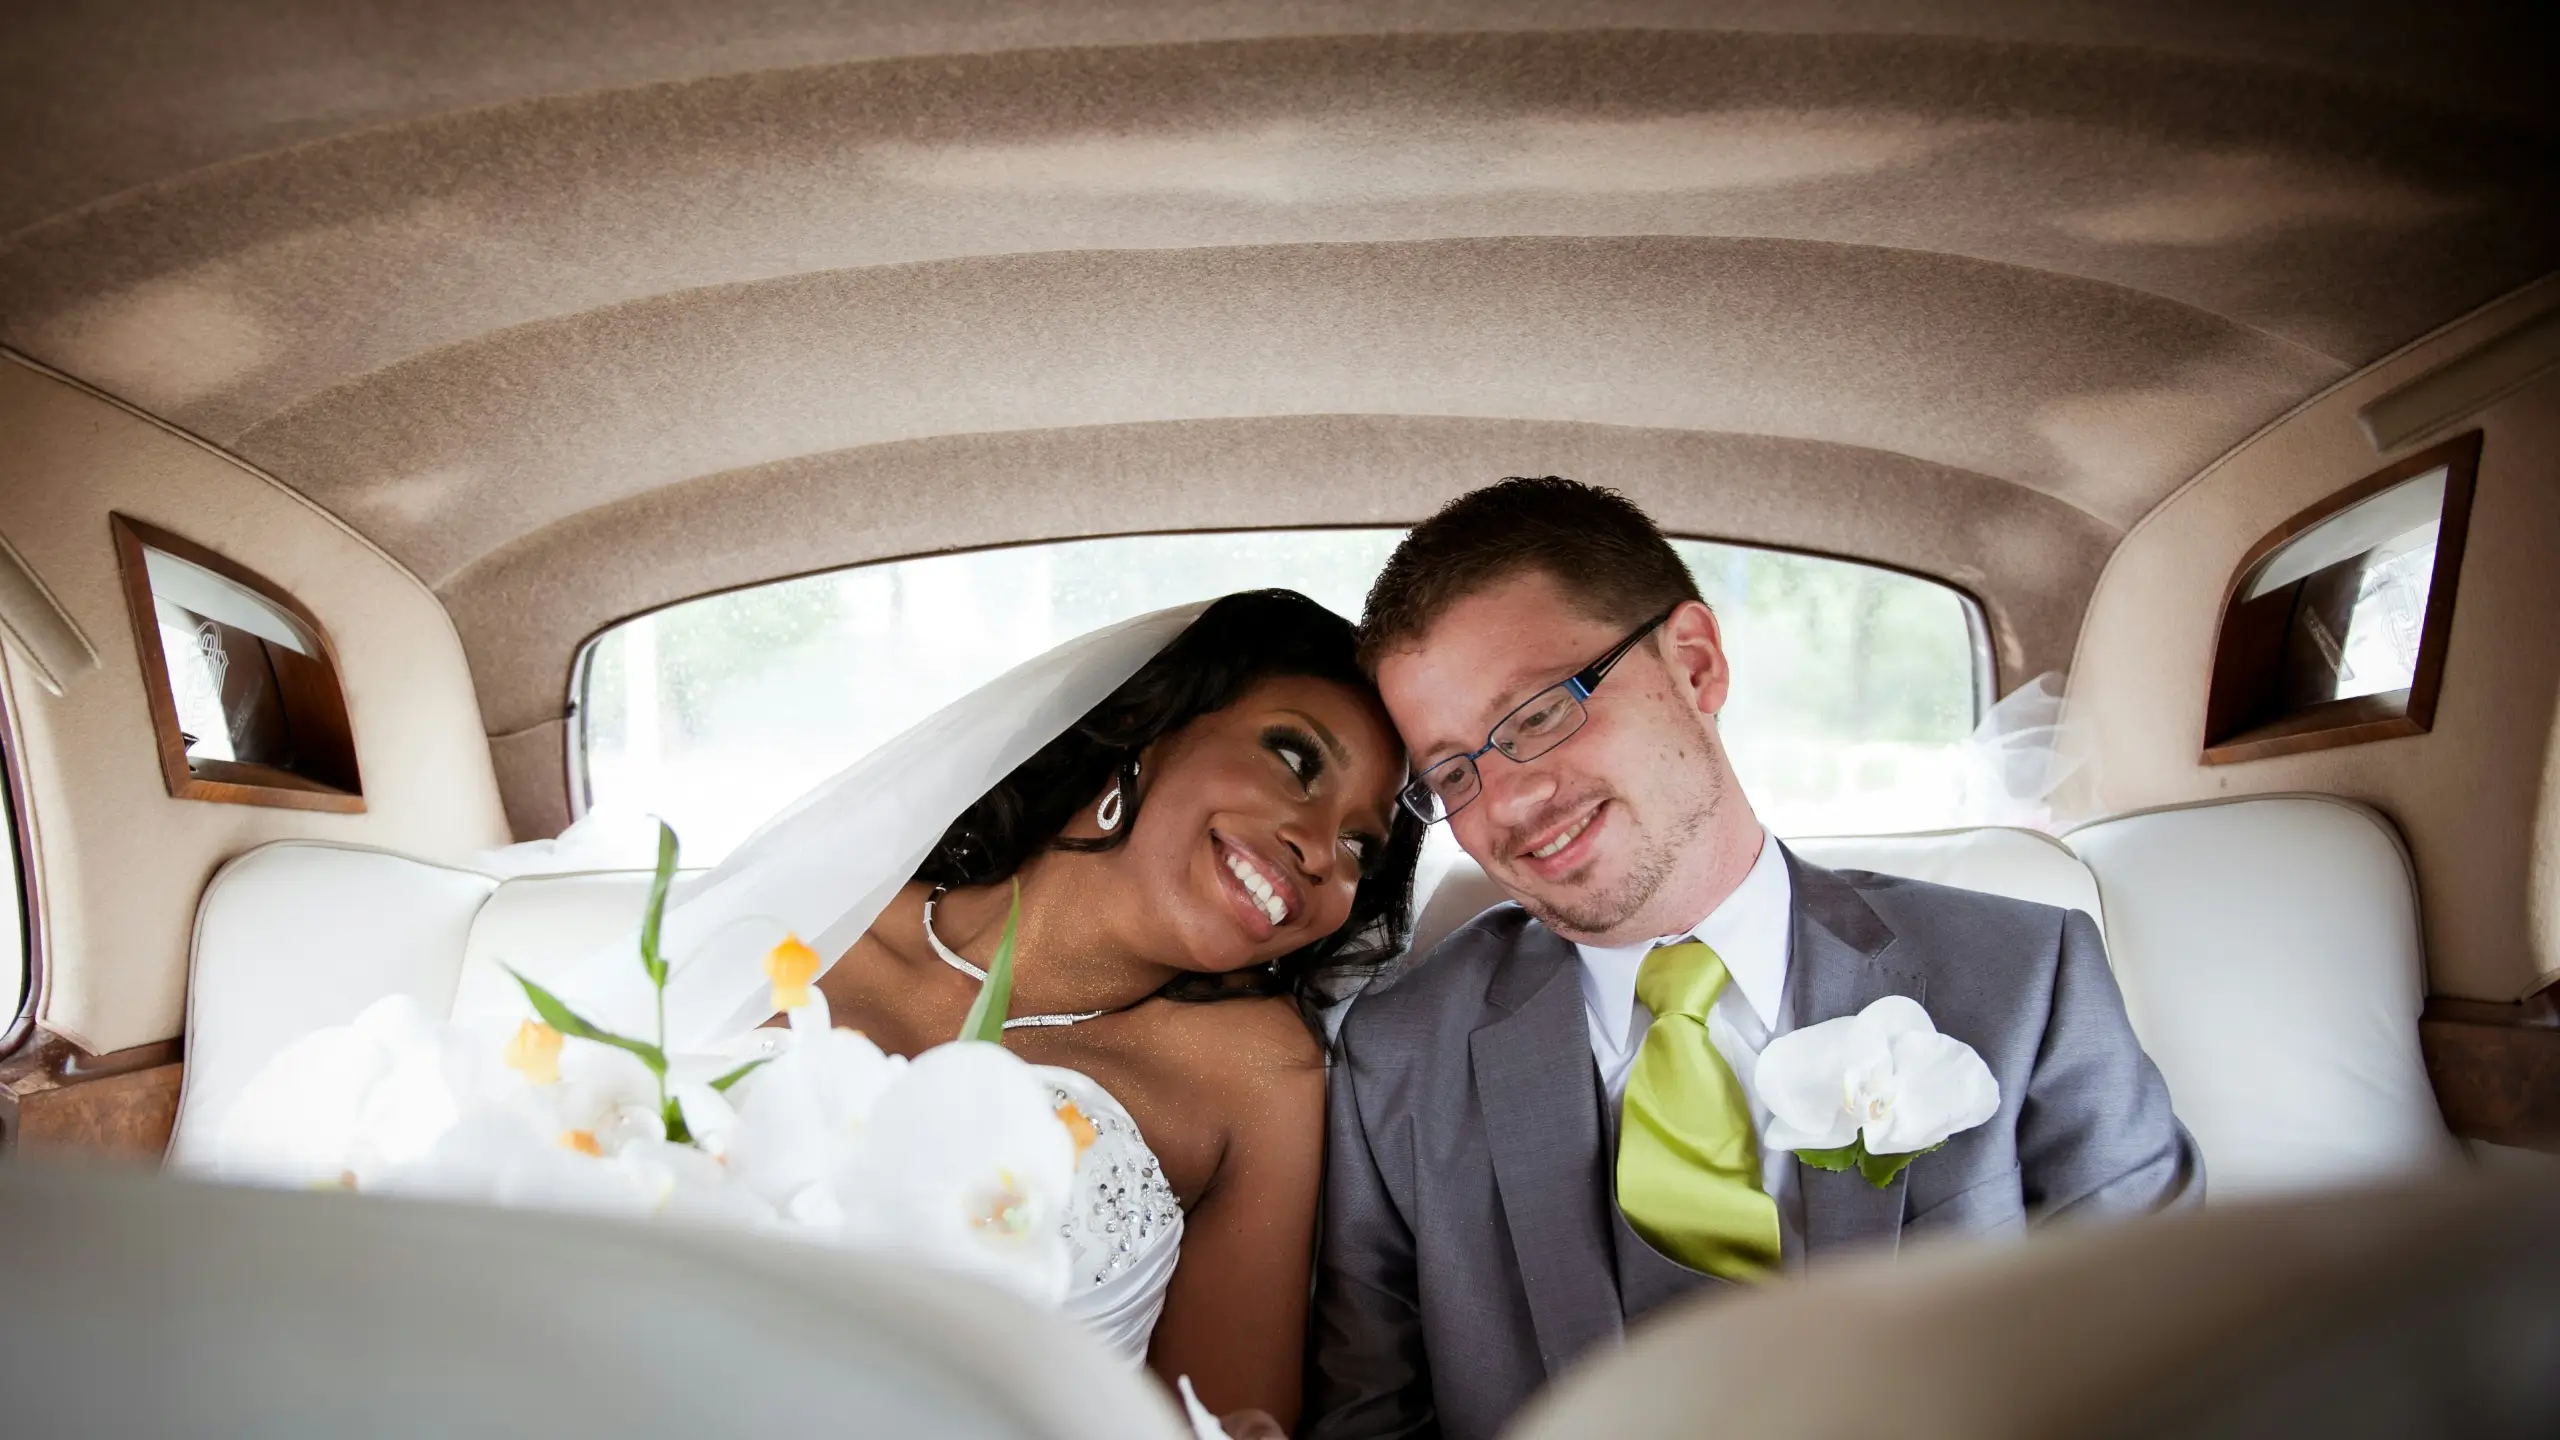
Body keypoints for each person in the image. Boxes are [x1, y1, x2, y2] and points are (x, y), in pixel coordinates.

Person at [1303, 479, 2199, 1440]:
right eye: (1452, 771)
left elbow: (2184, 1364)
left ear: (1693, 664)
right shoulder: (1399, 1059)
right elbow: (1371, 1422)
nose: (1510, 801)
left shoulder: (2025, 978)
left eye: (1534, 716)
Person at [810, 589, 1424, 1431]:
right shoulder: (822, 922)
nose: (1323, 850)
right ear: (1152, 725)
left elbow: (1228, 1423)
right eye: (1294, 759)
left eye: (1362, 845)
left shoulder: (1259, 1077)